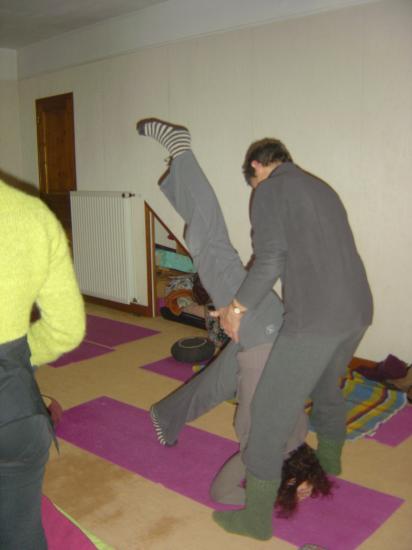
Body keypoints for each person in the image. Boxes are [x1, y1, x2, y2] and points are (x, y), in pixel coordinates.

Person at [136, 118, 331, 515]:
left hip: (271, 331)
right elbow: (223, 493)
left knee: (221, 379)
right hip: (262, 328)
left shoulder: (293, 438)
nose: (304, 489)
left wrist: (282, 488)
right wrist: (278, 495)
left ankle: (167, 417)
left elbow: (231, 489)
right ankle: (182, 149)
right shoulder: (274, 447)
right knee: (210, 246)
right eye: (308, 487)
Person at [209, 138, 373, 539]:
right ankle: (331, 462)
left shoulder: (268, 190)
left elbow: (269, 258)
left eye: (250, 181)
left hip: (315, 320)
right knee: (326, 384)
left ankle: (256, 519)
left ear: (256, 166)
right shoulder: (320, 187)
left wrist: (236, 307)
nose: (252, 189)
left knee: (266, 415)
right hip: (357, 311)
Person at [0, 178, 86, 549]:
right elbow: (66, 329)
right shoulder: (31, 213)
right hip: (16, 411)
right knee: (21, 530)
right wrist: (17, 358)